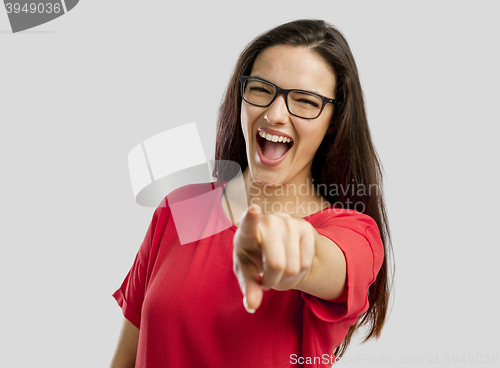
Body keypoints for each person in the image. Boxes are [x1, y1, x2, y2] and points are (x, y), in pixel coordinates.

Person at [110, 19, 393, 368]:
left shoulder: (354, 234)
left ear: (334, 120)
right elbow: (124, 360)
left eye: (305, 101)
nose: (275, 114)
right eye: (261, 89)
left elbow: (324, 261)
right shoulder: (181, 208)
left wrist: (289, 247)